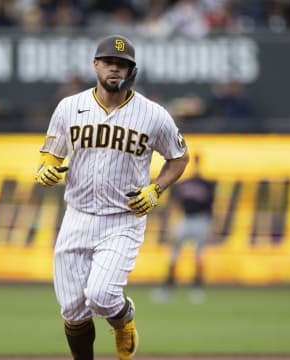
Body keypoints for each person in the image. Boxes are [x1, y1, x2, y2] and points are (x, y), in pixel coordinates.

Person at [34, 34, 189, 360]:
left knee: (102, 296)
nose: (115, 69)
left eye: (122, 64)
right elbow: (52, 153)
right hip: (77, 214)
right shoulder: (69, 107)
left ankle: (124, 320)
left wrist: (156, 188)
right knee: (74, 311)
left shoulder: (153, 114)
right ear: (96, 65)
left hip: (123, 218)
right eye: (109, 62)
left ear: (132, 70)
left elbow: (179, 157)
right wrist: (46, 169)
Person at [152, 153, 216, 304]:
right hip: (185, 219)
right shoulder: (183, 183)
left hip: (201, 219)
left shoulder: (207, 183)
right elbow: (174, 204)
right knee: (173, 255)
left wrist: (211, 224)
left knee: (199, 256)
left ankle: (197, 288)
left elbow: (210, 207)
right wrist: (169, 224)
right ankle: (168, 287)